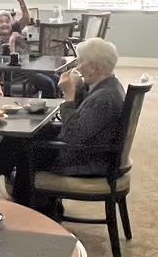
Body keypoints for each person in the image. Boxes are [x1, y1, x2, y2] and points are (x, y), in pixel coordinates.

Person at [29, 37, 127, 208]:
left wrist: (68, 96)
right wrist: (79, 89)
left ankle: (33, 208)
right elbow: (84, 118)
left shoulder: (104, 98)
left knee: (26, 149)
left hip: (89, 160)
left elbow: (71, 136)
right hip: (96, 151)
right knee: (35, 134)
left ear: (92, 66)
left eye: (80, 62)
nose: (77, 67)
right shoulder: (109, 86)